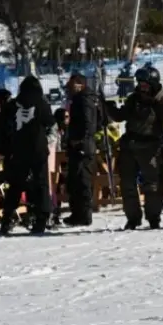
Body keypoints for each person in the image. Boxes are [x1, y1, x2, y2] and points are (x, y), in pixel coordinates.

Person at [106, 67, 163, 230]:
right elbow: (120, 116)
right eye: (140, 84)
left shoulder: (161, 101)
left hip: (150, 147)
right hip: (130, 145)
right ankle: (133, 218)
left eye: (145, 85)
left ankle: (153, 218)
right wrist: (107, 106)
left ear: (153, 84)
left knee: (152, 185)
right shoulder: (134, 99)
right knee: (127, 184)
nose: (142, 87)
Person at [0, 76, 56, 235]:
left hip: (18, 150)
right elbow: (50, 123)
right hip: (38, 149)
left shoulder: (11, 105)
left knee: (15, 186)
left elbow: (3, 128)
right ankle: (41, 219)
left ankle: (7, 219)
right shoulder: (41, 104)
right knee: (41, 184)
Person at [63, 74, 99, 226]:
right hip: (77, 145)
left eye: (71, 86)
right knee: (74, 181)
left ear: (80, 85)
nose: (69, 89)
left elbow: (88, 124)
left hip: (83, 146)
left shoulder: (84, 100)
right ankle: (77, 213)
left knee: (82, 180)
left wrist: (80, 140)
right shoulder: (78, 99)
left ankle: (84, 214)